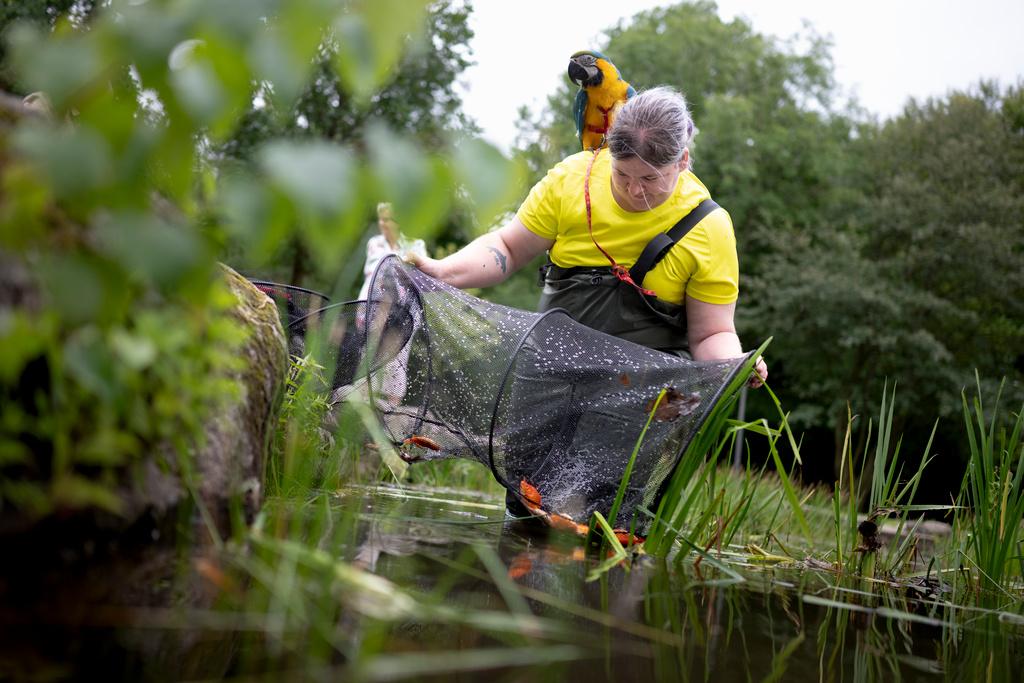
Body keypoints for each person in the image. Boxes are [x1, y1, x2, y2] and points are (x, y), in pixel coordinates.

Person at [409, 86, 766, 388]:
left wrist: (734, 365)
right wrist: (443, 272)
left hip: (643, 393)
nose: (633, 190)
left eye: (649, 179)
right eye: (623, 173)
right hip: (552, 371)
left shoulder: (708, 226)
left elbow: (710, 334)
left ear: (682, 161)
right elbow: (508, 248)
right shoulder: (571, 181)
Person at [358, 202, 428, 301]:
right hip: (372, 302)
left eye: (386, 220)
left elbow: (421, 278)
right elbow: (374, 273)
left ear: (398, 222)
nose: (381, 223)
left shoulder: (416, 245)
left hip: (405, 305)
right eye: (380, 219)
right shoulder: (374, 243)